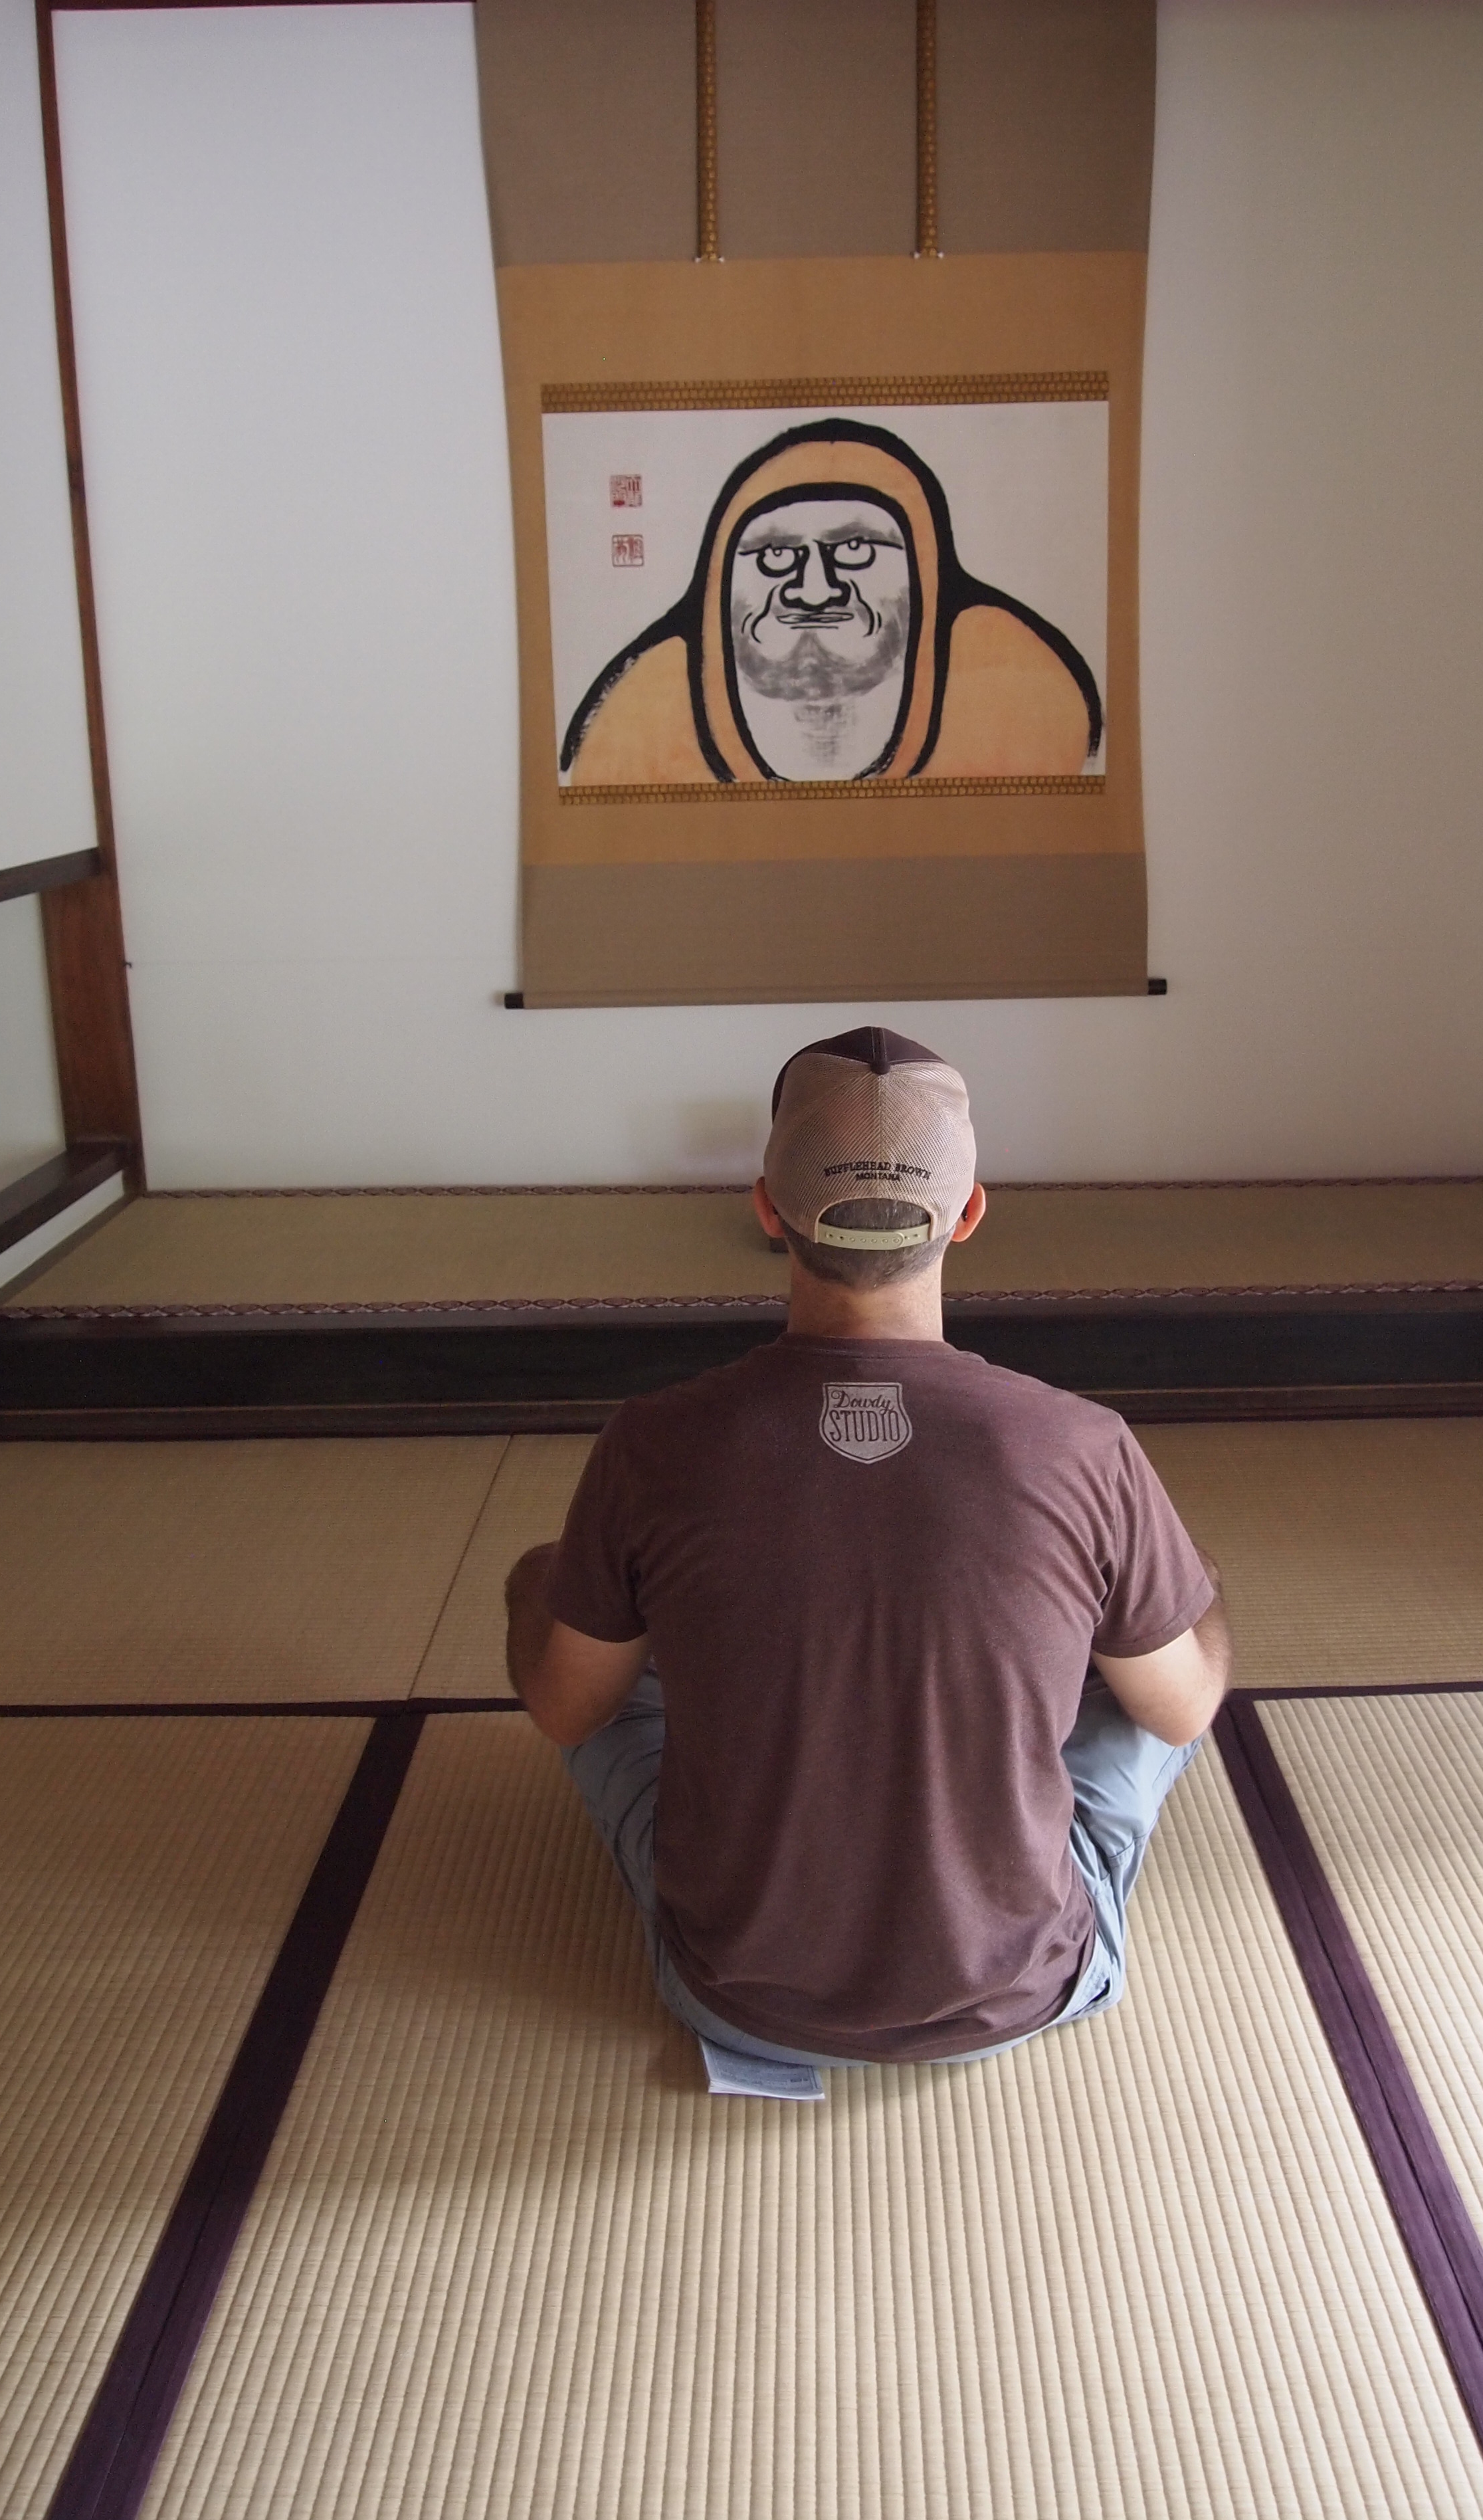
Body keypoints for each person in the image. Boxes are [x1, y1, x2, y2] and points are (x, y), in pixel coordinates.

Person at [506, 1025, 1231, 2069]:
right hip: (1021, 1993)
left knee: (570, 1603)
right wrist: (1198, 1593)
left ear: (767, 1209)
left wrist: (549, 1585)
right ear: (970, 1214)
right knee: (1156, 1652)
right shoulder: (1082, 1445)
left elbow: (566, 1709)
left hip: (734, 1998)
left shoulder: (654, 1443)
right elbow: (1184, 1709)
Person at [559, 419, 1103, 788]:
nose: (815, 590)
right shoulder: (630, 730)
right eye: (775, 556)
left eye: (855, 550)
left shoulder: (1033, 703)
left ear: (924, 573)